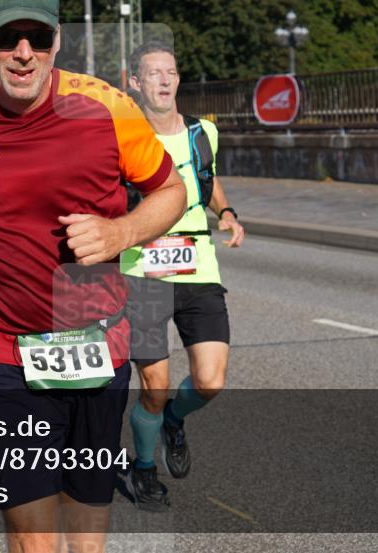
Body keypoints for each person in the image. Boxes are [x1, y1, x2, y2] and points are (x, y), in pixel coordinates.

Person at [0, 0, 186, 553]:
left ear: (58, 39)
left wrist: (120, 232)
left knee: (86, 529)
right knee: (33, 534)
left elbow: (172, 192)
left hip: (93, 338)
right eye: (7, 37)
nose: (23, 54)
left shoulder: (107, 109)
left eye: (38, 36)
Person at [120, 41, 246, 511]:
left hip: (198, 265)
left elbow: (209, 181)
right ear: (135, 82)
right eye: (153, 73)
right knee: (154, 386)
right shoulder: (124, 138)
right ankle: (144, 468)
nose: (164, 80)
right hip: (143, 270)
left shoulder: (202, 133)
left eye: (170, 71)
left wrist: (227, 212)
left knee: (210, 381)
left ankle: (175, 418)